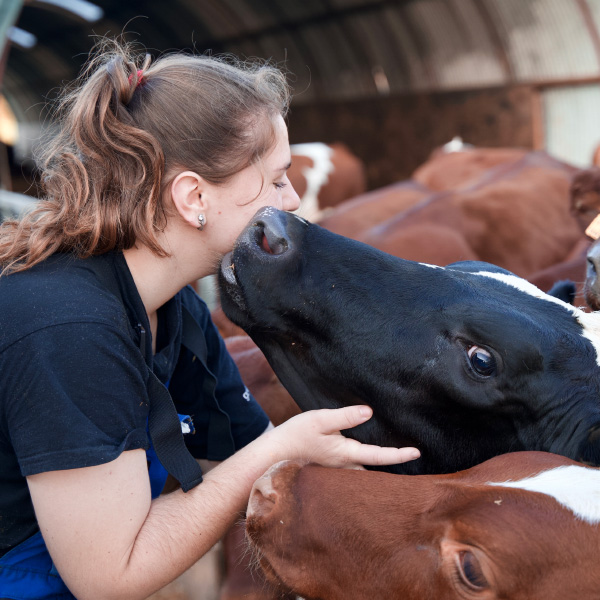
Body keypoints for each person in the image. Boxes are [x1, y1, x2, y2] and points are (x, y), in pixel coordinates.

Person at [0, 40, 420, 600]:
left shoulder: (172, 307)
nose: (293, 200)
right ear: (193, 196)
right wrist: (277, 453)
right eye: (276, 179)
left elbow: (253, 443)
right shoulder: (70, 330)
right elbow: (108, 576)